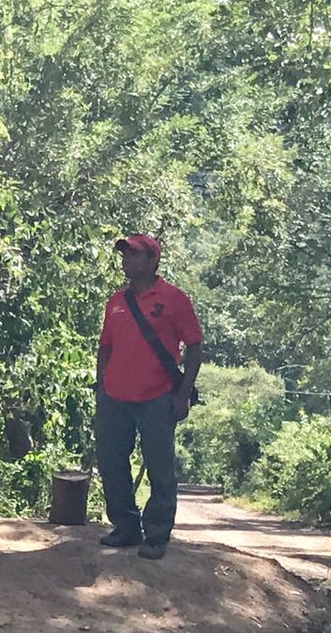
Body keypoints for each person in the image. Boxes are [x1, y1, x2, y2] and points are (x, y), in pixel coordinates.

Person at [95, 234, 203, 560]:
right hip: (114, 397)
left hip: (157, 396)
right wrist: (101, 385)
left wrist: (183, 395)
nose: (125, 259)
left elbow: (194, 346)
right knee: (111, 461)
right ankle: (125, 526)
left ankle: (156, 534)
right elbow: (105, 346)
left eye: (133, 254)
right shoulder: (116, 302)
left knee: (159, 465)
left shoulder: (173, 299)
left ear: (153, 260)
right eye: (124, 254)